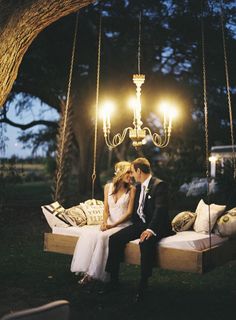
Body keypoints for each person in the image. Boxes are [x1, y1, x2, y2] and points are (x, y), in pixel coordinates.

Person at [105, 157, 172, 301]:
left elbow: (160, 211)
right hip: (141, 224)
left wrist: (150, 230)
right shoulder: (139, 186)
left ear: (139, 171)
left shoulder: (159, 185)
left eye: (133, 172)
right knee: (114, 239)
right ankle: (113, 281)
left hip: (157, 225)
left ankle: (143, 284)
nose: (132, 175)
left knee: (145, 243)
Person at [70, 161, 136, 284]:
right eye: (128, 172)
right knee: (89, 235)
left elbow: (129, 214)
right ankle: (88, 271)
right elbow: (105, 209)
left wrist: (113, 225)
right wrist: (104, 222)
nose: (131, 175)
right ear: (120, 173)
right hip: (109, 223)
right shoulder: (108, 187)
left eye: (131, 172)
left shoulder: (132, 190)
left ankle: (92, 274)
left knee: (102, 237)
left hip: (122, 225)